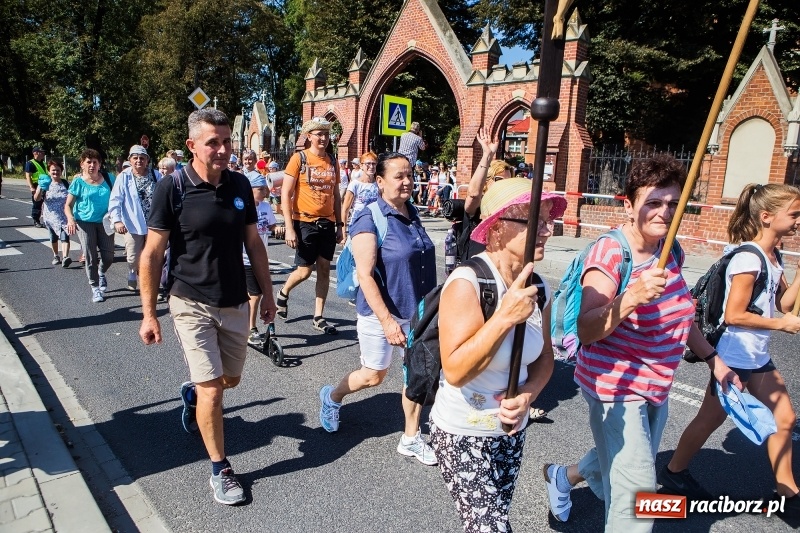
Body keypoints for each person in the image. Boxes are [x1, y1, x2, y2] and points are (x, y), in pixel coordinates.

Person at [542, 155, 740, 532]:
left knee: (626, 459)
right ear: (629, 204)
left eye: (672, 203)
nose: (664, 212)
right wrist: (630, 298)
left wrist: (714, 360)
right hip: (615, 387)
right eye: (653, 202)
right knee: (638, 497)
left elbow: (683, 316)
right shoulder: (612, 252)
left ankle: (562, 477)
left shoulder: (671, 249)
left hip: (656, 384)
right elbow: (586, 329)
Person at [138, 108, 277, 506]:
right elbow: (152, 253)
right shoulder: (173, 187)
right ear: (192, 145)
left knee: (229, 381)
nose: (221, 149)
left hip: (234, 300)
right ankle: (221, 469)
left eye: (227, 140)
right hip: (190, 300)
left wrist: (267, 294)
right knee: (214, 389)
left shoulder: (239, 185)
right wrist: (149, 313)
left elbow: (254, 244)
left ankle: (193, 395)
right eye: (212, 142)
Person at [430, 177, 563, 532]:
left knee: (489, 520)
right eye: (537, 221)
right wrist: (504, 317)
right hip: (462, 432)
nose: (548, 230)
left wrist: (527, 396)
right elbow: (456, 370)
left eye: (550, 221)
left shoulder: (540, 287)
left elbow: (545, 360)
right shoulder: (468, 282)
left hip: (509, 430)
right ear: (499, 227)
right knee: (491, 528)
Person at [660, 183, 800, 513]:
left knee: (784, 418)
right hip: (734, 356)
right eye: (793, 214)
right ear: (767, 217)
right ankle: (674, 473)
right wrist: (782, 325)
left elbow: (782, 303)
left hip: (756, 357)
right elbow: (735, 314)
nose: (798, 220)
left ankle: (785, 490)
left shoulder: (772, 255)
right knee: (709, 420)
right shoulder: (749, 258)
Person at [318, 153, 438, 464]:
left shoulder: (412, 212)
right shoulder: (369, 218)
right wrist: (387, 321)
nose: (407, 181)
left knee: (416, 374)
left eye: (409, 174)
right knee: (374, 375)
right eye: (399, 176)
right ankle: (332, 397)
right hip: (381, 312)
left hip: (417, 311)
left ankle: (411, 437)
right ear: (380, 181)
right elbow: (365, 275)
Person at [277, 117, 344, 334]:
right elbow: (285, 194)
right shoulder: (299, 159)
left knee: (324, 269)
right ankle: (284, 292)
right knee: (305, 271)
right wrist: (289, 226)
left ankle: (318, 316)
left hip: (328, 223)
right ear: (309, 137)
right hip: (304, 221)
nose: (323, 138)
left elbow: (336, 194)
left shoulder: (332, 161)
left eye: (326, 134)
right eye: (319, 134)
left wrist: (340, 224)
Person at [65, 148, 115, 303]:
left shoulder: (109, 178)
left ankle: (101, 272)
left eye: (95, 162)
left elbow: (118, 198)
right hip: (84, 223)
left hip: (105, 222)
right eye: (89, 162)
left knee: (108, 257)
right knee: (90, 256)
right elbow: (68, 205)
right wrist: (70, 219)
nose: (92, 165)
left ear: (100, 164)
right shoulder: (78, 182)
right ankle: (95, 288)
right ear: (82, 164)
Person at [108, 145, 160, 291]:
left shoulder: (156, 175)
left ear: (147, 160)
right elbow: (115, 200)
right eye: (135, 158)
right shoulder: (124, 177)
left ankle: (149, 284)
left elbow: (166, 195)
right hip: (133, 223)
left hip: (154, 224)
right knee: (133, 257)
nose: (139, 161)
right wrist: (117, 220)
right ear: (130, 160)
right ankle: (132, 271)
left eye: (142, 158)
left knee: (152, 257)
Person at [244, 173, 277, 345]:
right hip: (246, 258)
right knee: (255, 295)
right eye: (260, 188)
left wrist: (279, 229)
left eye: (265, 188)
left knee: (264, 292)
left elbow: (272, 225)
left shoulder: (265, 207)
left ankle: (260, 325)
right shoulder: (245, 207)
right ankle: (251, 328)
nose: (265, 191)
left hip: (262, 258)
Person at [34, 160, 71, 267]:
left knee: (65, 236)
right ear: (49, 172)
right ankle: (56, 255)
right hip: (50, 216)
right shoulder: (45, 182)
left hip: (63, 216)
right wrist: (40, 188)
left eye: (58, 170)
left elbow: (72, 197)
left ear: (61, 171)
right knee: (53, 237)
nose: (56, 172)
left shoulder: (66, 183)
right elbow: (37, 199)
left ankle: (65, 257)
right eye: (53, 170)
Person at [341, 151, 379, 234]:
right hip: (357, 225)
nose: (371, 166)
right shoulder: (355, 184)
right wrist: (343, 232)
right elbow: (345, 209)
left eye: (374, 164)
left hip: (375, 225)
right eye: (368, 164)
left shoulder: (379, 184)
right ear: (361, 166)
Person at [25, 146, 48, 228]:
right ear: (35, 153)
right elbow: (28, 176)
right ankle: (36, 220)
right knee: (37, 204)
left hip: (45, 186)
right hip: (36, 186)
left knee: (47, 203)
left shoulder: (44, 163)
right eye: (41, 152)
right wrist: (31, 187)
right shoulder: (30, 163)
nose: (43, 153)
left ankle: (47, 220)